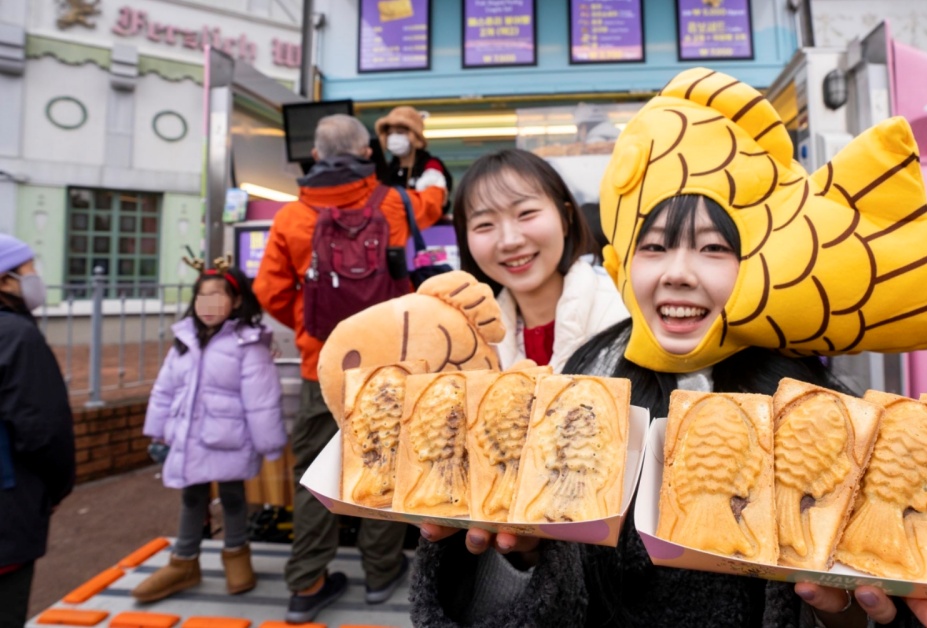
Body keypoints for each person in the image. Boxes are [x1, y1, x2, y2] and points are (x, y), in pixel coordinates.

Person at [412, 196, 927, 628]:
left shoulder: (823, 410)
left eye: (713, 248)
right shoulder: (586, 384)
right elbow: (520, 600)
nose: (677, 273)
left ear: (757, 266)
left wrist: (849, 617)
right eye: (654, 247)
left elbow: (921, 598)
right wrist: (522, 557)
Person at [253, 113, 444, 623]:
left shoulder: (291, 217)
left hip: (321, 368)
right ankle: (381, 573)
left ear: (315, 156)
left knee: (316, 472)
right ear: (366, 154)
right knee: (382, 465)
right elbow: (435, 199)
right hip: (390, 369)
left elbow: (269, 291)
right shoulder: (396, 203)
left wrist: (312, 330)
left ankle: (307, 583)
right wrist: (424, 161)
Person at [133, 265, 285, 603]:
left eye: (217, 296)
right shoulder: (185, 341)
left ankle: (237, 555)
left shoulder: (248, 343)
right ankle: (184, 561)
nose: (208, 304)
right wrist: (157, 429)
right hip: (189, 437)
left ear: (237, 300)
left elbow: (262, 400)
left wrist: (269, 443)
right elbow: (164, 388)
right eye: (202, 296)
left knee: (232, 497)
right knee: (191, 497)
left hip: (228, 438)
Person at [453, 149, 627, 371]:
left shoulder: (626, 314)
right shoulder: (468, 342)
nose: (510, 241)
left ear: (566, 218)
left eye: (525, 213)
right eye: (485, 224)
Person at [0, 234, 74, 626]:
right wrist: (56, 488)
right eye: (29, 270)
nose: (36, 278)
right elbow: (42, 431)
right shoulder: (16, 337)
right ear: (4, 281)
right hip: (8, 512)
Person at [374, 106, 452, 200]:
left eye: (400, 132)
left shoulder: (432, 165)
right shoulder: (386, 170)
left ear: (415, 135)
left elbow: (435, 201)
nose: (394, 138)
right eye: (390, 133)